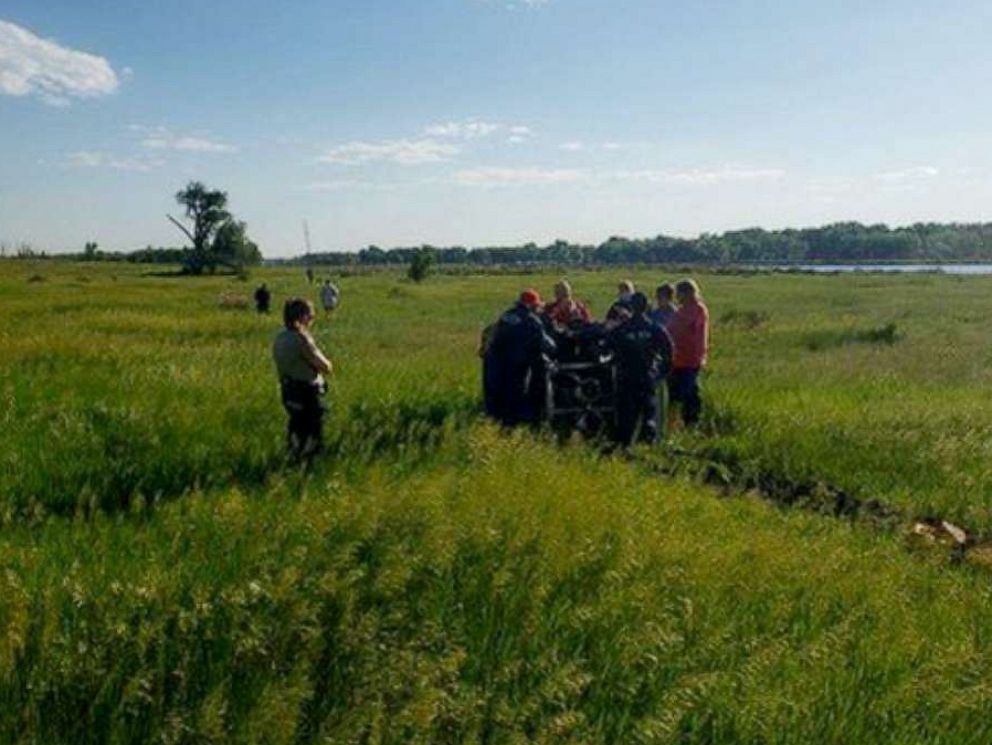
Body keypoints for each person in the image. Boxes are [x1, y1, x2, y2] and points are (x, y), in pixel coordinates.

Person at [605, 291, 673, 447]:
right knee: (649, 411)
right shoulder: (655, 329)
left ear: (631, 307)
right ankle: (649, 443)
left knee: (627, 414)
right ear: (646, 306)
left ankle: (625, 444)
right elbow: (669, 351)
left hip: (626, 378)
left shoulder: (621, 330)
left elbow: (605, 349)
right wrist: (661, 373)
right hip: (647, 377)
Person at [483, 289, 557, 426]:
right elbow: (548, 345)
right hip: (515, 369)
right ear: (531, 306)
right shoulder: (531, 321)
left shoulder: (505, 316)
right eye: (536, 306)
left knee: (498, 405)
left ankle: (498, 429)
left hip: (495, 369)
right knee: (516, 402)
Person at [272, 298, 333, 463]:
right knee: (313, 433)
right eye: (311, 315)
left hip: (288, 390)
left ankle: (293, 459)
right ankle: (308, 467)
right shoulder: (301, 339)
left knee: (296, 427)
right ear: (303, 317)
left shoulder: (280, 337)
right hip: (307, 393)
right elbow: (324, 366)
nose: (312, 319)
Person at [666, 278, 709, 427]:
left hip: (690, 359)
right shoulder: (683, 310)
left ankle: (691, 423)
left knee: (689, 393)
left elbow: (679, 329)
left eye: (679, 293)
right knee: (675, 394)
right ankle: (676, 422)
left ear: (687, 293)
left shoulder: (696, 310)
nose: (677, 297)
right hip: (678, 358)